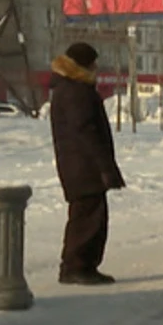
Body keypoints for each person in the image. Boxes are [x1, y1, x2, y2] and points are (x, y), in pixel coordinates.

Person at [48, 42, 126, 285]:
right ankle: (76, 267)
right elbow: (87, 132)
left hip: (78, 164)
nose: (96, 67)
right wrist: (104, 167)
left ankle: (81, 265)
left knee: (88, 215)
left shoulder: (68, 88)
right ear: (84, 64)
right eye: (93, 62)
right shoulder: (76, 91)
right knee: (87, 218)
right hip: (83, 166)